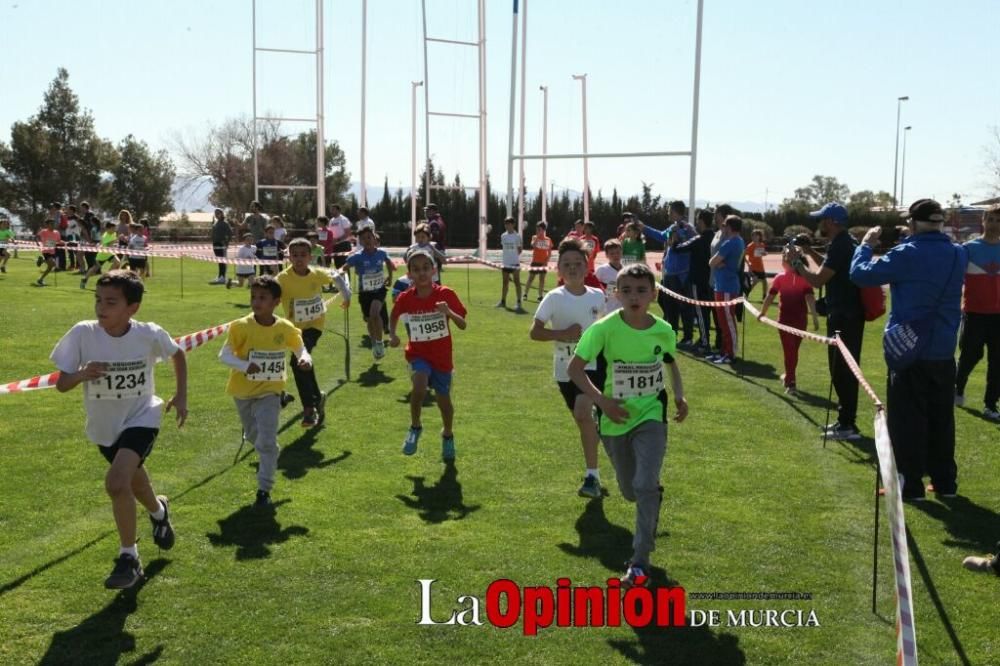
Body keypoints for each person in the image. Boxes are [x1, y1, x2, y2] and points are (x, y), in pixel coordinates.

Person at [50, 270, 186, 589]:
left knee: (116, 482)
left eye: (111, 302)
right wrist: (82, 374)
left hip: (143, 416)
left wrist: (181, 395)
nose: (101, 308)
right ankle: (158, 510)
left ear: (132, 308)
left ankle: (129, 558)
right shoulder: (83, 333)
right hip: (104, 427)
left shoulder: (148, 334)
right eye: (98, 300)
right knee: (133, 480)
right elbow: (62, 384)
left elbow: (177, 353)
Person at [568, 262, 688, 587]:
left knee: (645, 483)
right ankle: (649, 498)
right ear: (616, 293)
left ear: (654, 294)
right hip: (613, 419)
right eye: (627, 290)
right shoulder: (603, 329)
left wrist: (679, 396)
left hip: (651, 415)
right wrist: (601, 401)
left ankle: (639, 563)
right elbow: (575, 369)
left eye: (641, 290)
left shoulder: (662, 329)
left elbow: (670, 363)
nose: (634, 296)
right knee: (630, 490)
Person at [849, 199, 967, 500]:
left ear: (913, 223)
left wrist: (865, 245)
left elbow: (860, 274)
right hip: (943, 349)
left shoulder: (907, 253)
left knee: (906, 419)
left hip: (910, 349)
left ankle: (909, 484)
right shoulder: (957, 253)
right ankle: (945, 483)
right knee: (942, 419)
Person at [219, 275, 311, 507]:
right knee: (254, 437)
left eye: (262, 298)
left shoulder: (284, 327)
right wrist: (243, 365)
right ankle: (274, 410)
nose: (256, 302)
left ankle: (264, 490)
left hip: (270, 389)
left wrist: (304, 358)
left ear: (275, 302)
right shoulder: (240, 326)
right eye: (253, 297)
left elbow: (299, 346)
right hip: (243, 392)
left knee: (268, 443)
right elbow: (224, 355)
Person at [531, 238, 608, 498]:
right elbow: (535, 332)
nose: (573, 268)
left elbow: (607, 330)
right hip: (564, 369)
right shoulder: (554, 298)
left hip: (595, 365)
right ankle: (596, 443)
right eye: (567, 264)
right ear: (559, 269)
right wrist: (562, 333)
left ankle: (592, 477)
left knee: (583, 413)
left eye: (578, 263)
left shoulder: (598, 296)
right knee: (582, 419)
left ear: (588, 266)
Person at [789, 202, 865, 440]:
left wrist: (796, 263)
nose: (818, 223)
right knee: (841, 369)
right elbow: (830, 266)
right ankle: (845, 421)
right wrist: (810, 252)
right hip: (846, 314)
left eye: (821, 219)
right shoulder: (845, 241)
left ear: (831, 221)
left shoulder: (842, 244)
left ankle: (847, 424)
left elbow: (818, 280)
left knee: (842, 370)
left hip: (845, 315)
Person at [389, 249, 467, 461]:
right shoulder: (406, 298)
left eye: (426, 268)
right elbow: (394, 314)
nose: (421, 273)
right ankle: (415, 427)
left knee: (444, 401)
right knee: (419, 386)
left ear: (434, 270)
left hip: (442, 357)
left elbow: (463, 324)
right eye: (416, 269)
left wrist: (448, 312)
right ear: (409, 274)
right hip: (417, 354)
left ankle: (448, 434)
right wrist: (393, 334)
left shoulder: (446, 294)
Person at [277, 238, 350, 428]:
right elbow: (270, 292)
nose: (299, 259)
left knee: (297, 361)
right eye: (295, 255)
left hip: (314, 327)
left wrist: (347, 296)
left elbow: (336, 276)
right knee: (303, 363)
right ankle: (317, 398)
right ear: (289, 257)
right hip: (293, 329)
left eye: (303, 255)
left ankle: (309, 410)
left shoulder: (317, 273)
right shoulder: (283, 278)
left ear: (310, 256)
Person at [955, 205, 1000, 421]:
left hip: (998, 316)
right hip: (974, 313)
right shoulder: (968, 249)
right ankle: (958, 387)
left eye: (998, 221)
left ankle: (990, 405)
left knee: (997, 361)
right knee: (971, 355)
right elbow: (954, 278)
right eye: (990, 219)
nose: (994, 224)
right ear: (983, 221)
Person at [758, 248, 819, 394]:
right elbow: (810, 300)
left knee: (790, 352)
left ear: (786, 261)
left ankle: (791, 383)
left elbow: (769, 297)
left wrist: (762, 313)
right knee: (792, 352)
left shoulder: (780, 278)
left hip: (786, 321)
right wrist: (815, 319)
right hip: (799, 321)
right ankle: (789, 377)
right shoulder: (805, 279)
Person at [642, 201, 696, 347]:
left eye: (669, 211)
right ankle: (671, 334)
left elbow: (694, 243)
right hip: (670, 274)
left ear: (676, 212)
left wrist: (681, 237)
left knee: (685, 307)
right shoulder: (672, 227)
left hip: (682, 274)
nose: (668, 213)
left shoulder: (688, 228)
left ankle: (688, 337)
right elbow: (661, 236)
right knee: (669, 305)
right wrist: (644, 228)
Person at [344, 227, 395, 361]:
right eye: (363, 238)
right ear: (360, 241)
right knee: (368, 319)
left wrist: (390, 276)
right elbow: (345, 267)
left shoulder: (382, 253)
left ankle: (379, 342)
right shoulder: (357, 256)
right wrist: (339, 275)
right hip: (364, 292)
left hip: (379, 289)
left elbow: (389, 263)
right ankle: (374, 342)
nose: (366, 240)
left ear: (374, 238)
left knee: (375, 313)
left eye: (369, 237)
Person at [672, 209, 716, 355]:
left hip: (698, 280)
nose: (696, 222)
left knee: (701, 312)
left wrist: (675, 238)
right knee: (707, 311)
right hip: (712, 281)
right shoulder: (716, 238)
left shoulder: (699, 239)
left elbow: (678, 249)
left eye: (698, 220)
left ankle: (704, 343)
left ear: (702, 221)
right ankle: (706, 339)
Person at [707, 215, 745, 364]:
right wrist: (719, 263)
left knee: (727, 321)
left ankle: (730, 353)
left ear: (729, 227)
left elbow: (711, 262)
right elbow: (716, 262)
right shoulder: (739, 241)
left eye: (725, 226)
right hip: (722, 285)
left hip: (727, 287)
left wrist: (719, 263)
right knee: (723, 322)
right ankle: (724, 351)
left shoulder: (730, 243)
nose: (723, 228)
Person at [81, 221, 122, 289]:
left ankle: (107, 276)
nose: (114, 230)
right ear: (108, 229)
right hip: (102, 255)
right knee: (94, 269)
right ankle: (84, 279)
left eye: (115, 228)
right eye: (113, 228)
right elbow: (108, 244)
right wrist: (117, 239)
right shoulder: (105, 235)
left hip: (110, 253)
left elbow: (113, 243)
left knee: (117, 262)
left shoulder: (114, 233)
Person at [496, 217, 525, 312]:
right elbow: (504, 248)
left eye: (509, 224)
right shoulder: (503, 236)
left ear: (513, 225)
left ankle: (519, 302)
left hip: (515, 264)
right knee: (505, 283)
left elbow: (520, 250)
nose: (507, 226)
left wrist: (514, 257)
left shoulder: (517, 236)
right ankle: (503, 301)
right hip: (505, 263)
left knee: (517, 283)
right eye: (506, 224)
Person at [524, 221, 553, 301]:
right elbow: (533, 245)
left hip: (543, 263)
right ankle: (525, 294)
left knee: (542, 280)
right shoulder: (534, 237)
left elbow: (549, 253)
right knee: (531, 278)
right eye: (537, 229)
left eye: (539, 229)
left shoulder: (548, 239)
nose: (537, 231)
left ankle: (540, 296)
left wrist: (545, 262)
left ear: (544, 230)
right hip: (535, 261)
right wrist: (537, 237)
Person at [595, 239, 625, 312]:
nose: (615, 255)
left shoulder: (627, 270)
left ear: (622, 253)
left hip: (623, 310)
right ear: (606, 255)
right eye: (612, 253)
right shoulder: (602, 270)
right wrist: (613, 289)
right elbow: (595, 287)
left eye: (618, 252)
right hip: (608, 310)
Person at [36, 218, 62, 286]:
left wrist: (65, 243)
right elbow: (37, 236)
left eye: (54, 224)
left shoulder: (57, 232)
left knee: (50, 267)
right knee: (53, 264)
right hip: (46, 250)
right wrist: (38, 242)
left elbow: (58, 241)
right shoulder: (43, 231)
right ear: (47, 225)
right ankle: (42, 260)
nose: (53, 225)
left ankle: (40, 279)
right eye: (51, 224)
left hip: (52, 251)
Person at [210, 208, 232, 285]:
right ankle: (220, 276)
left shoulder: (224, 223)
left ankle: (223, 277)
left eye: (218, 213)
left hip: (221, 244)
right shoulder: (216, 223)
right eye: (215, 213)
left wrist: (226, 242)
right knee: (219, 261)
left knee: (222, 261)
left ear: (221, 214)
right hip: (215, 244)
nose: (216, 214)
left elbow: (230, 233)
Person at [745, 229, 768, 301]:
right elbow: (744, 255)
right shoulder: (750, 246)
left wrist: (765, 253)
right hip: (753, 267)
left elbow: (762, 253)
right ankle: (746, 294)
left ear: (759, 236)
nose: (753, 237)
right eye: (752, 235)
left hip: (761, 267)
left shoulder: (762, 244)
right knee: (755, 282)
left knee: (764, 282)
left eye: (755, 235)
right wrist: (748, 264)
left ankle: (764, 297)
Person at [328, 204, 354, 269]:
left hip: (344, 244)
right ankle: (340, 279)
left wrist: (338, 240)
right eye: (331, 210)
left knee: (344, 266)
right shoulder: (331, 220)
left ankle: (346, 279)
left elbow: (348, 233)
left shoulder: (343, 219)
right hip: (335, 245)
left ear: (338, 210)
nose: (331, 211)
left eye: (333, 209)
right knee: (337, 265)